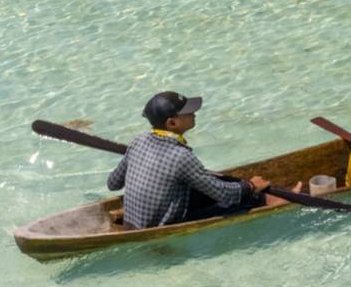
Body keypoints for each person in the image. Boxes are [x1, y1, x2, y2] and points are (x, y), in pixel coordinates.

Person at [107, 91, 293, 229]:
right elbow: (225, 195)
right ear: (172, 123)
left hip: (134, 218)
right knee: (237, 197)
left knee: (212, 183)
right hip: (159, 225)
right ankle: (269, 201)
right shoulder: (181, 157)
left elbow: (113, 183)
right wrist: (252, 187)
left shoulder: (138, 140)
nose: (194, 113)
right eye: (188, 112)